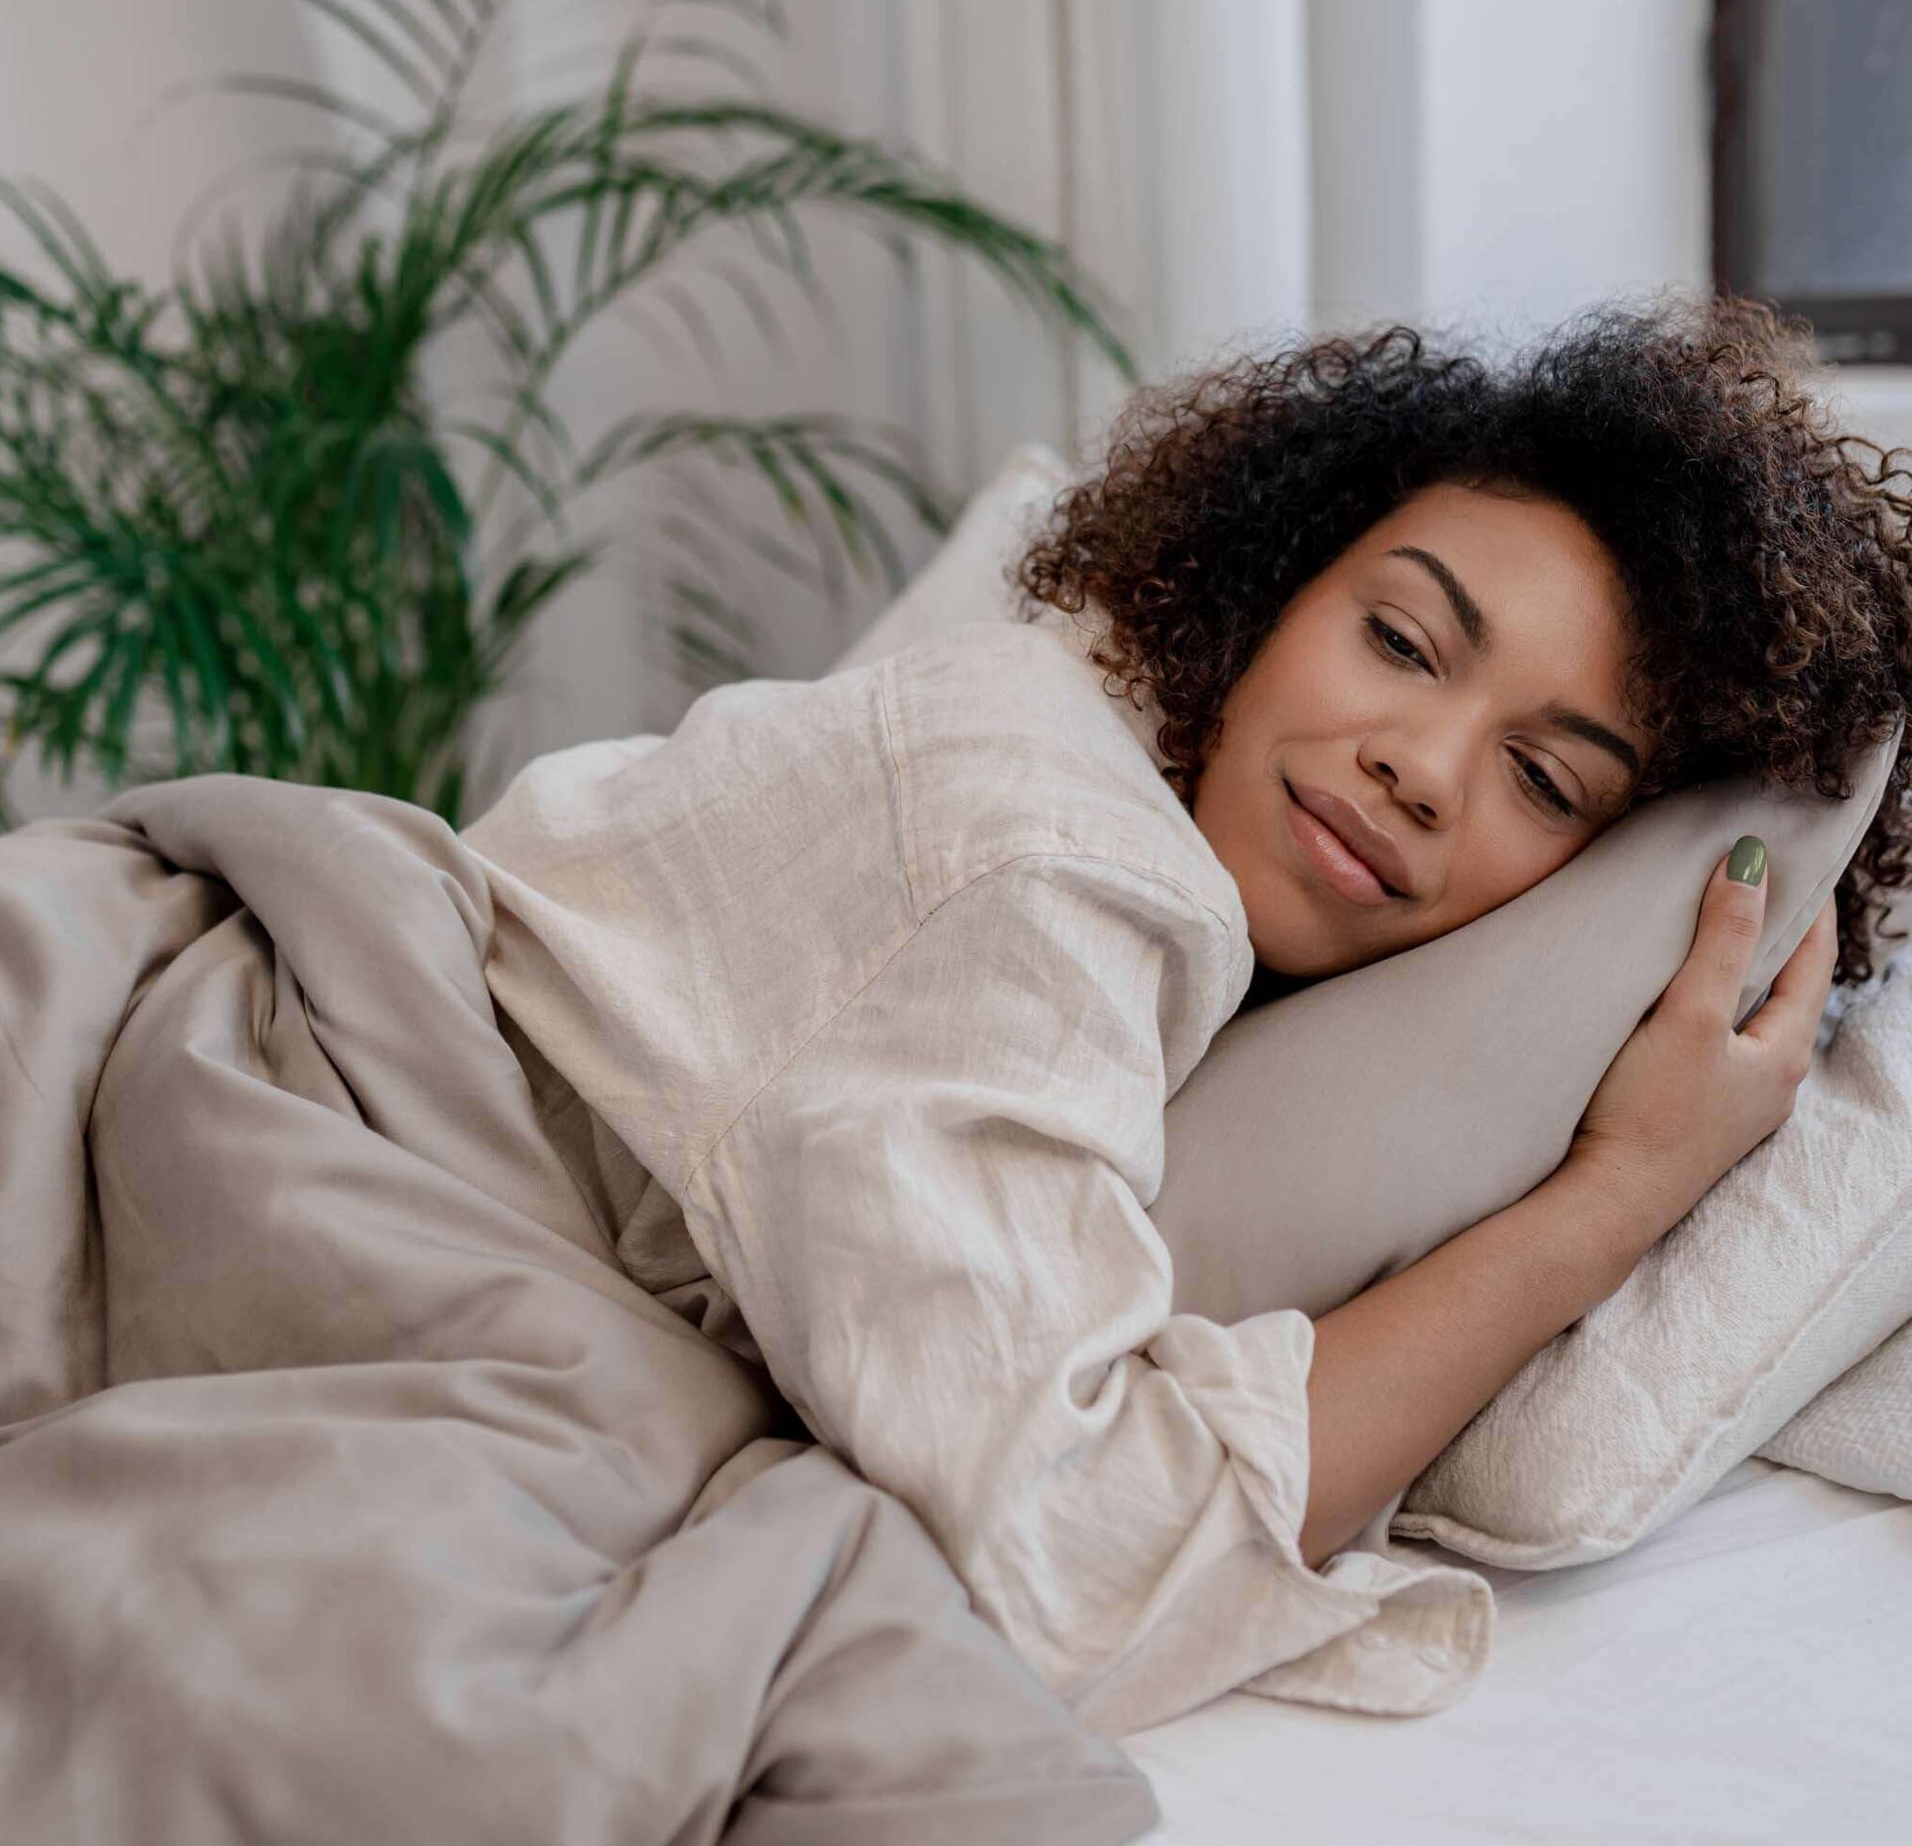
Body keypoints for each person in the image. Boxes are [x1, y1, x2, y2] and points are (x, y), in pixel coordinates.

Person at [464, 297, 1912, 1738]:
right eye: (1402, 640)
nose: (1418, 765)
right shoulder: (1055, 846)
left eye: (1542, 781)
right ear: (1272, 576)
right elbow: (1061, 1563)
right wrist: (1616, 1193)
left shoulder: (1171, 936)